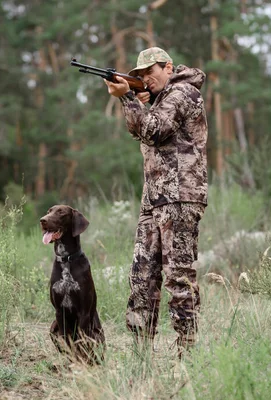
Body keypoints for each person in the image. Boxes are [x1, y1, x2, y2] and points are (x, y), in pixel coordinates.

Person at [104, 47, 208, 355]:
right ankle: (141, 357)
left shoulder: (182, 93)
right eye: (141, 75)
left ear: (169, 67)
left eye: (152, 72)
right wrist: (136, 101)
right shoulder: (160, 99)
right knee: (142, 276)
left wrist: (127, 98)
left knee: (179, 278)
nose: (147, 79)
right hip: (154, 198)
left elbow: (152, 130)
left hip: (179, 197)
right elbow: (145, 129)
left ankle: (187, 356)